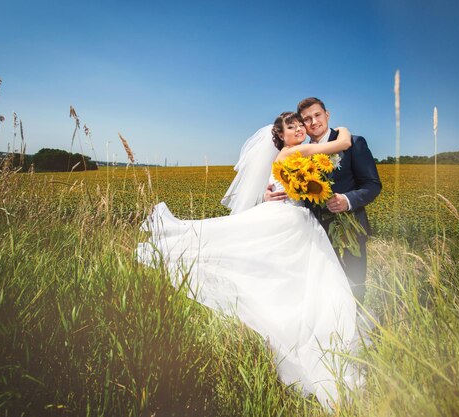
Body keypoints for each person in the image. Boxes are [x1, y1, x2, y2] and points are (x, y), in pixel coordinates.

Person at [138, 112, 362, 407]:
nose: (298, 129)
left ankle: (292, 328)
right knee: (304, 278)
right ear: (280, 136)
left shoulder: (284, 155)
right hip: (292, 221)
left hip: (291, 217)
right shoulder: (295, 151)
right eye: (291, 127)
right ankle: (301, 333)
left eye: (299, 124)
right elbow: (342, 142)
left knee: (284, 277)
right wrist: (342, 129)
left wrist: (274, 195)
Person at [265, 98, 382, 304]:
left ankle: (355, 330)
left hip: (350, 229)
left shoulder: (355, 142)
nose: (313, 122)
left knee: (355, 287)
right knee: (321, 290)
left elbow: (372, 184)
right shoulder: (300, 152)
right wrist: (269, 196)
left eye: (317, 115)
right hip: (313, 232)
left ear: (327, 115)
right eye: (306, 119)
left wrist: (347, 200)